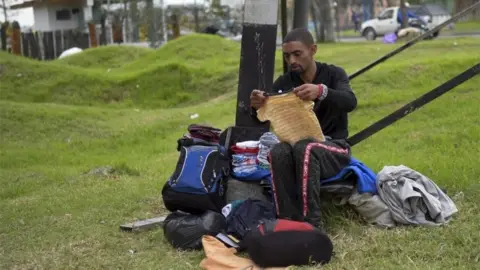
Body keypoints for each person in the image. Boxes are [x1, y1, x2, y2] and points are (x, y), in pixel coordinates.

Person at [249, 28, 357, 228]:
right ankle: (287, 221)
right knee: (279, 151)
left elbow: (350, 102)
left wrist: (321, 92)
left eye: (297, 54)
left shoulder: (334, 74)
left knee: (305, 147)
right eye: (287, 56)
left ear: (313, 50)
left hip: (335, 149)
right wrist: (257, 106)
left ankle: (312, 224)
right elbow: (265, 119)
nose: (291, 61)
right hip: (297, 152)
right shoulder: (284, 82)